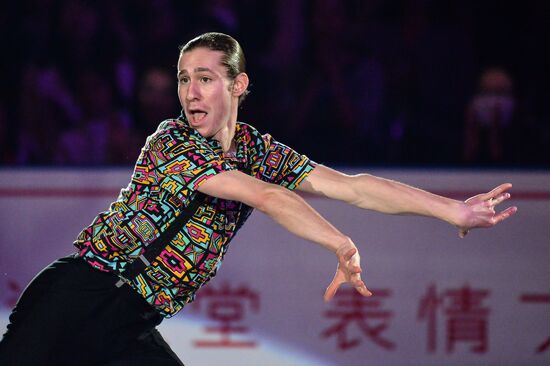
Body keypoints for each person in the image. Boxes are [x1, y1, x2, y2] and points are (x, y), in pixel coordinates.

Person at [0, 32, 517, 365]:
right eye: (184, 80)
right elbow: (264, 196)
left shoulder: (255, 148)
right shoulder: (171, 142)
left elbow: (353, 186)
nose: (191, 92)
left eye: (205, 79)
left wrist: (452, 209)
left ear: (238, 83)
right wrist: (339, 243)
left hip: (131, 323)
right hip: (77, 297)